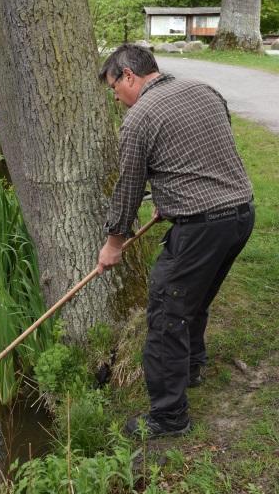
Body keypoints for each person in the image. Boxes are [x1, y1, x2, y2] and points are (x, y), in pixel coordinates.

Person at [97, 44, 254, 439]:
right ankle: (191, 367)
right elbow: (204, 151)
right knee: (194, 297)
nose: (117, 99)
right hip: (241, 215)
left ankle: (169, 417)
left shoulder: (139, 118)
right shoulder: (203, 89)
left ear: (128, 75)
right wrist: (170, 200)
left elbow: (129, 188)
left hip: (202, 228)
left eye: (115, 89)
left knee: (167, 314)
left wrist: (114, 243)